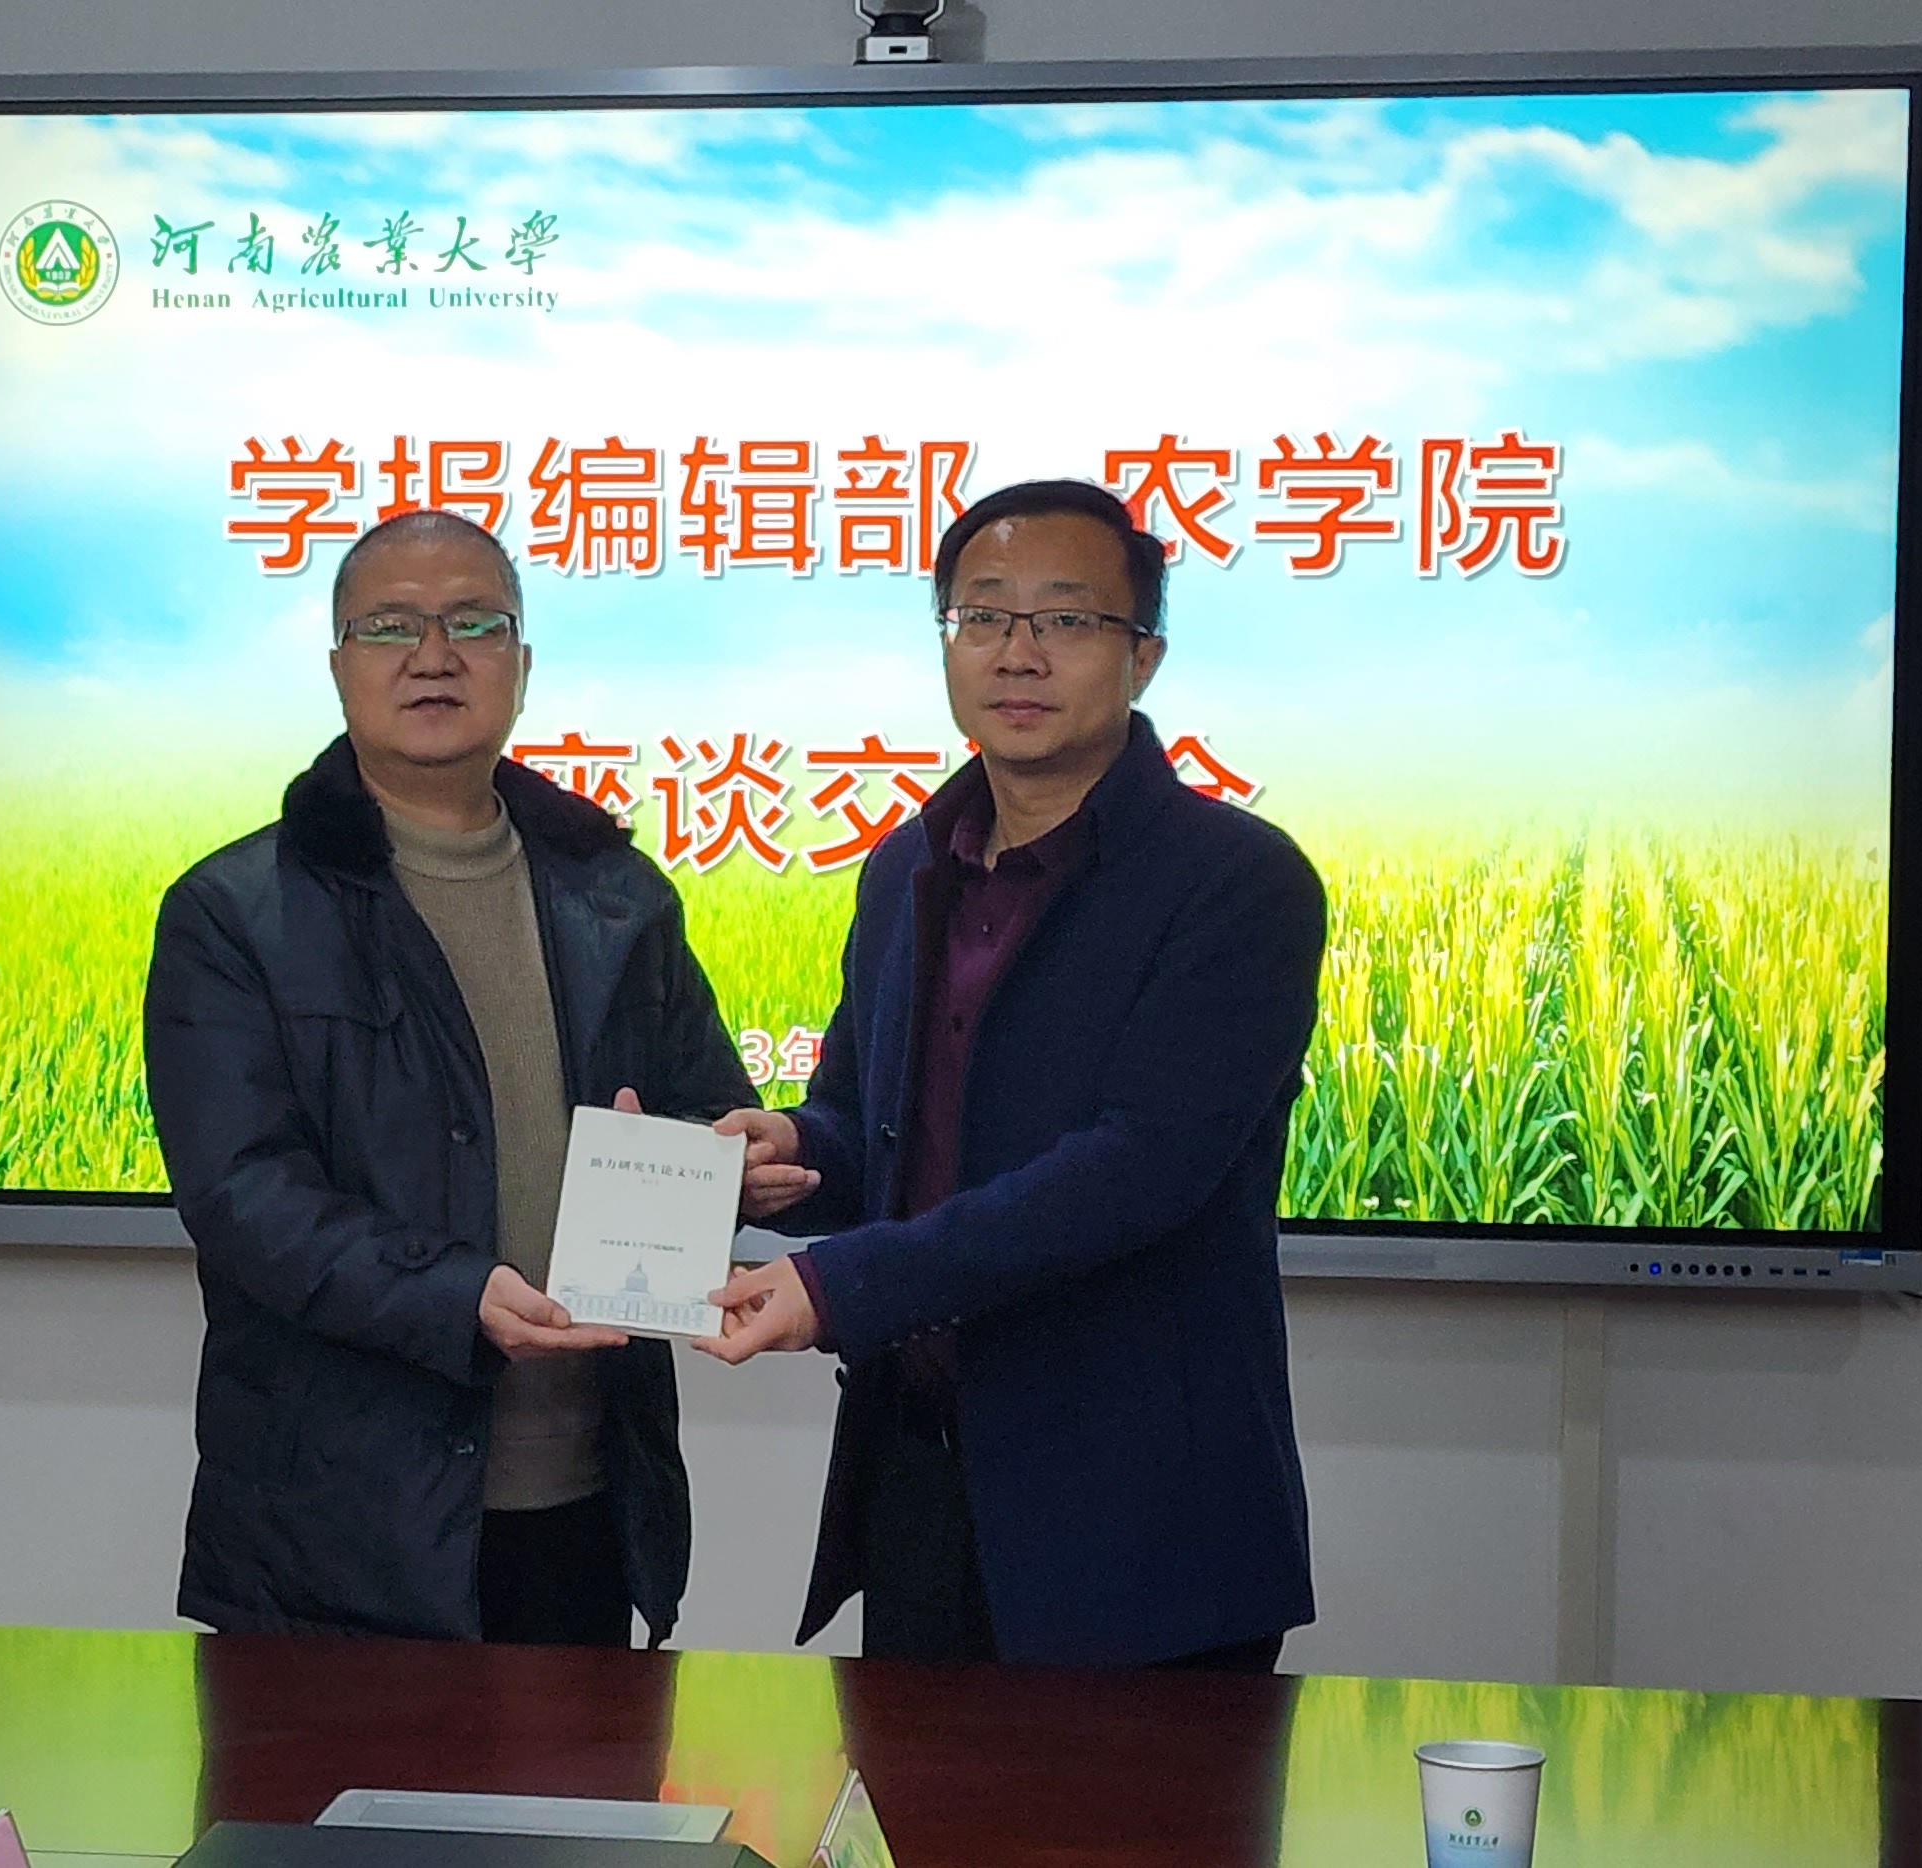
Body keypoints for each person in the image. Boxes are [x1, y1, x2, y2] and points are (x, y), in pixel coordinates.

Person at [700, 478, 1328, 1672]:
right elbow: (871, 1120)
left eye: (1066, 618)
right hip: (920, 1482)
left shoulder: (1237, 882)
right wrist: (794, 1152)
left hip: (1138, 1509)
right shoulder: (907, 865)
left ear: (1143, 655)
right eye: (982, 615)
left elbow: (1139, 1169)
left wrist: (840, 1284)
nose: (1017, 652)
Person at [146, 509, 799, 1646]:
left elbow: (699, 1102)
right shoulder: (234, 913)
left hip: (590, 1496)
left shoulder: (616, 895)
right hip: (338, 1526)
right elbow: (243, 1196)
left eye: (474, 624)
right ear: (339, 666)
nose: (434, 655)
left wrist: (734, 1162)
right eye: (390, 626)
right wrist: (450, 1295)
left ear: (522, 665)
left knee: (584, 1774)